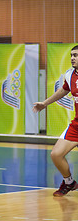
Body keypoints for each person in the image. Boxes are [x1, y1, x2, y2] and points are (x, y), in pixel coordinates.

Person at [33, 45, 78, 197]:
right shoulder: (70, 74)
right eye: (72, 55)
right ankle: (69, 182)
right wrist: (44, 103)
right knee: (56, 154)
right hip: (77, 125)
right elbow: (62, 91)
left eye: (76, 55)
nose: (72, 58)